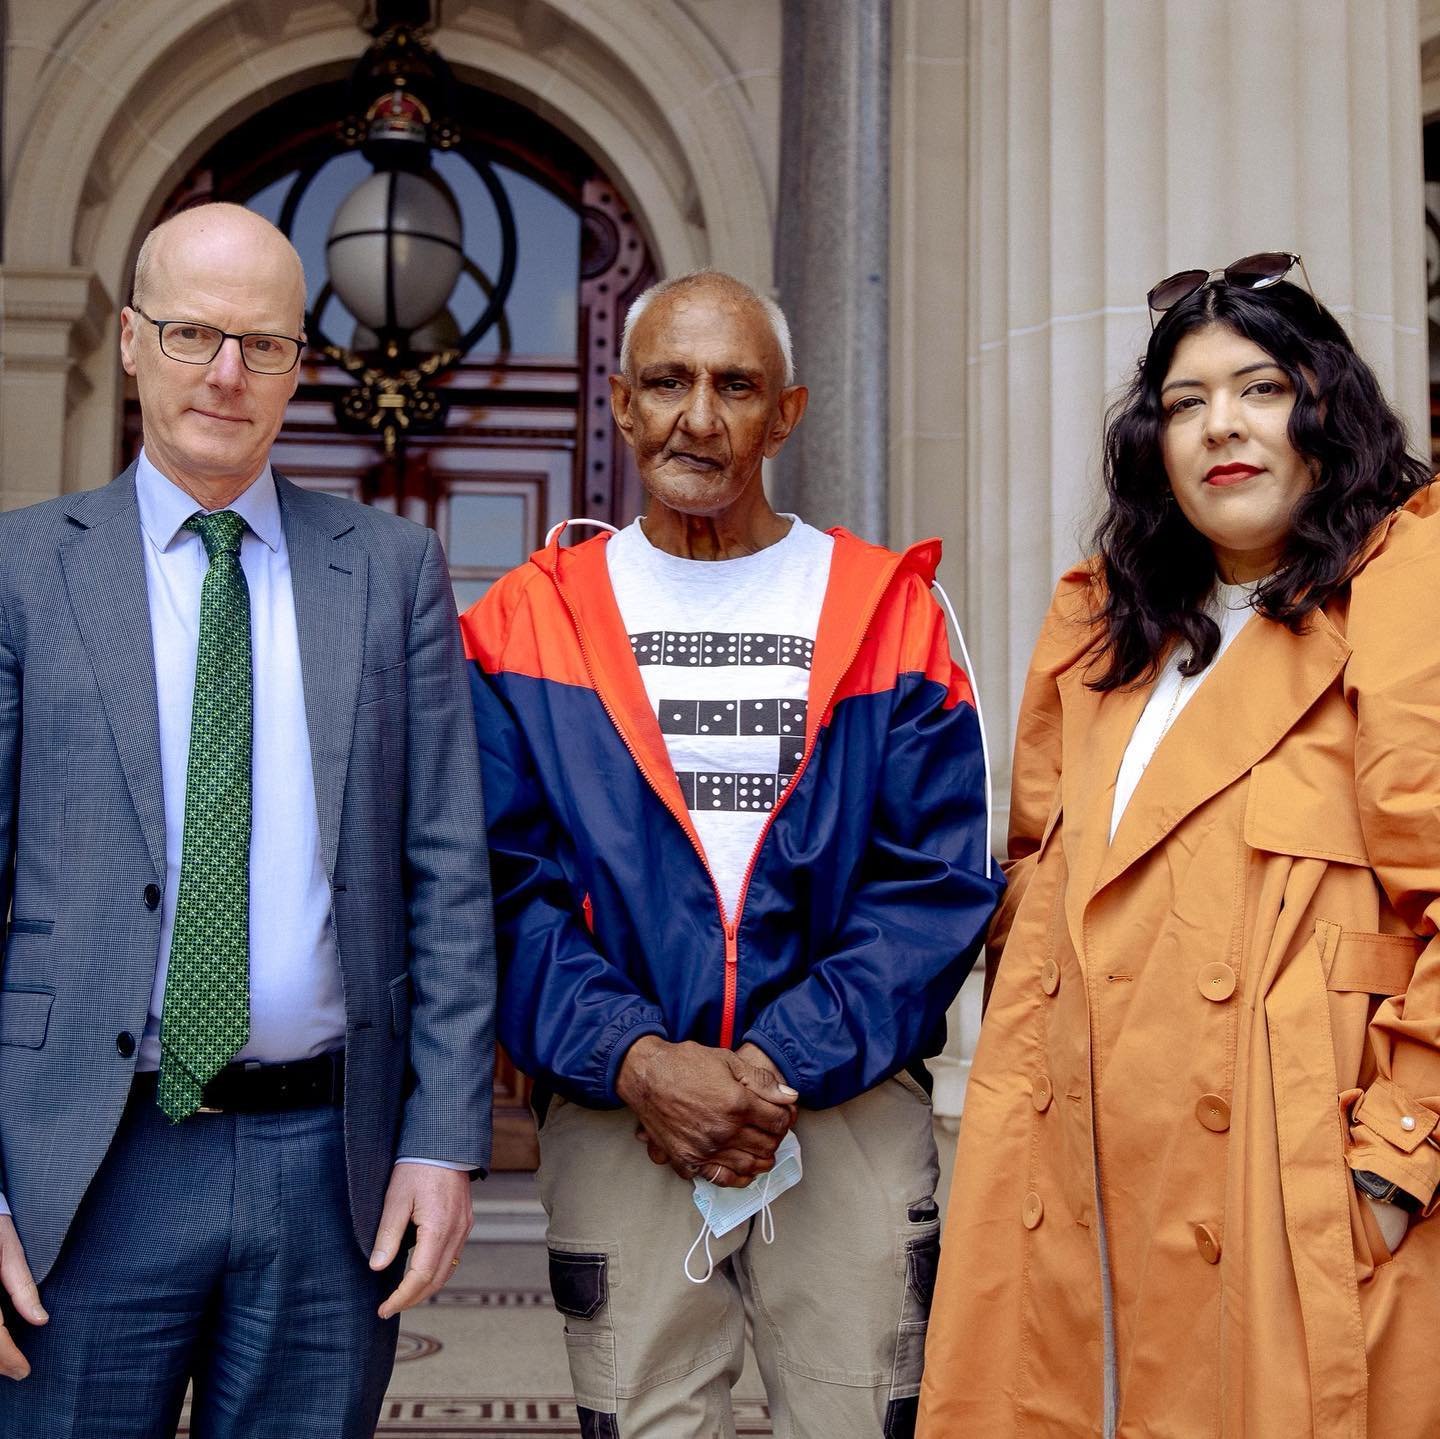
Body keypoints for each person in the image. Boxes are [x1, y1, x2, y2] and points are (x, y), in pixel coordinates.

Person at [462, 270, 1001, 1437]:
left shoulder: (892, 609)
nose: (698, 417)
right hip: (622, 1114)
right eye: (667, 381)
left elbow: (938, 883)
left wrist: (770, 1064)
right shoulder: (524, 619)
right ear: (619, 401)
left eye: (734, 385)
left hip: (841, 1106)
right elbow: (500, 889)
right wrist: (642, 1059)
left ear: (787, 413)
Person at [918, 253, 1440, 1438]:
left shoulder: (1405, 590)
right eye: (1184, 402)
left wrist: (1393, 1162)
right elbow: (1037, 902)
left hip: (1280, 1188)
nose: (1222, 427)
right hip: (1076, 1195)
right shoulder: (1106, 628)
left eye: (1258, 388)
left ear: (1322, 407)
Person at [0, 202, 495, 1437]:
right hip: (83, 1157)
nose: (227, 372)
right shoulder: (19, 574)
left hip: (329, 1170)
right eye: (190, 334)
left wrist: (443, 1140)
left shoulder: (391, 571)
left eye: (263, 344)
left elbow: (449, 870)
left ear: (299, 365)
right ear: (127, 341)